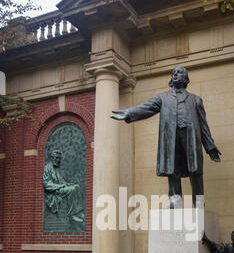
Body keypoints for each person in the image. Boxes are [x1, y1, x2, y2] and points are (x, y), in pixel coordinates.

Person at [111, 65, 221, 208]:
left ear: (186, 78)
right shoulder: (162, 98)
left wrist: (210, 147)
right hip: (171, 139)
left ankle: (199, 203)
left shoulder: (196, 100)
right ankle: (175, 201)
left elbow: (203, 126)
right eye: (173, 72)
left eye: (179, 72)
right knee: (172, 169)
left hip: (191, 139)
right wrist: (129, 113)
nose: (175, 74)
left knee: (196, 172)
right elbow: (147, 107)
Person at [43, 150, 84, 224]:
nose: (58, 160)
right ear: (52, 158)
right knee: (72, 189)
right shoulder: (47, 168)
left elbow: (61, 181)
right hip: (54, 193)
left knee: (76, 186)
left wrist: (68, 184)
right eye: (57, 158)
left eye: (59, 158)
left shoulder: (55, 169)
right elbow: (46, 184)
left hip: (59, 189)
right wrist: (61, 186)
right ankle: (72, 214)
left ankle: (78, 212)